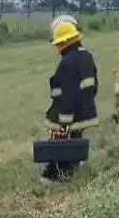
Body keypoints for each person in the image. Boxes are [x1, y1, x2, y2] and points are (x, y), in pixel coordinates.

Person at [41, 20, 99, 183]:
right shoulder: (86, 56)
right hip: (84, 110)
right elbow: (92, 86)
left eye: (59, 43)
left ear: (66, 42)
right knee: (74, 139)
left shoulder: (68, 63)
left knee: (61, 142)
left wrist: (64, 122)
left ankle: (52, 176)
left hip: (68, 112)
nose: (58, 48)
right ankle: (72, 169)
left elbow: (69, 94)